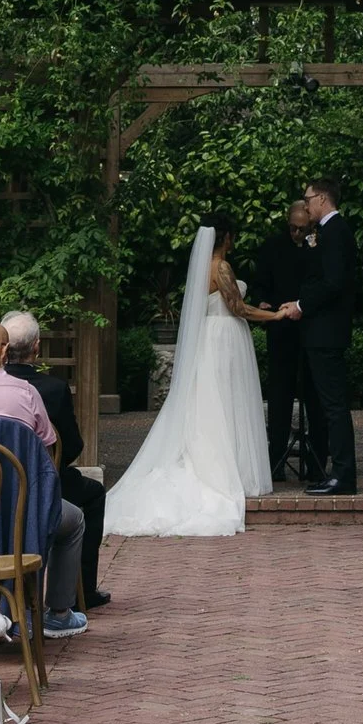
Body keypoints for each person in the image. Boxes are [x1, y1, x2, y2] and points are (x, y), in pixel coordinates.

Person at [105, 223, 268, 537]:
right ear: (227, 237)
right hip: (224, 337)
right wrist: (275, 315)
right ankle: (227, 471)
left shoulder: (203, 268)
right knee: (225, 400)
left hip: (211, 337)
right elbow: (236, 307)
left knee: (212, 401)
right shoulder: (220, 266)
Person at [0, 318, 88, 636]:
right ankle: (57, 611)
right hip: (22, 517)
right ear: (4, 353)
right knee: (75, 521)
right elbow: (50, 448)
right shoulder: (25, 392)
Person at [3, 310, 111, 610]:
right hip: (43, 485)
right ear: (36, 347)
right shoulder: (52, 388)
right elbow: (71, 445)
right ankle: (80, 592)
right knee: (92, 495)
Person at [277, 178, 359, 492]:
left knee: (334, 406)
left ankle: (344, 475)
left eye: (308, 198)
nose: (306, 204)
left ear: (322, 199)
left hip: (327, 332)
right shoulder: (325, 233)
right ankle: (337, 472)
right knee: (329, 406)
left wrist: (301, 304)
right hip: (321, 331)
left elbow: (334, 282)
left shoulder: (336, 232)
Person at [244, 201, 314, 485]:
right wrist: (263, 302)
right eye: (293, 228)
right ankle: (276, 461)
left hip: (309, 328)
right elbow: (259, 282)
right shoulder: (272, 247)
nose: (297, 234)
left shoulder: (316, 246)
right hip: (280, 329)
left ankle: (315, 462)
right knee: (279, 396)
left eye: (303, 229)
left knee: (312, 394)